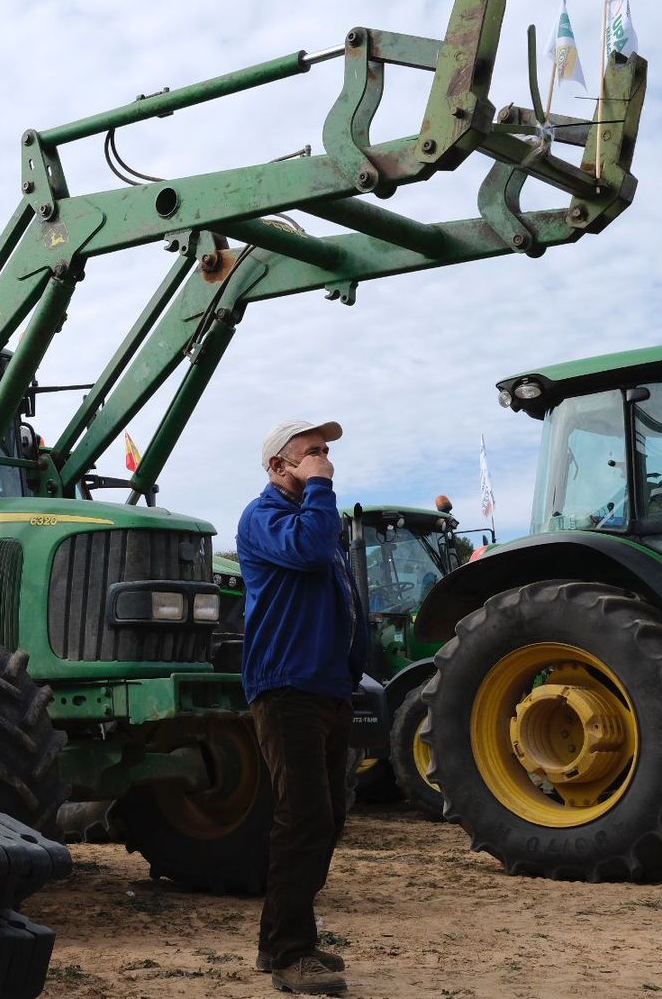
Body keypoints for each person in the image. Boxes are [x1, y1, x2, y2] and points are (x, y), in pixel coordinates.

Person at [236, 418, 364, 996]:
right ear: (278, 467)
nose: (324, 460)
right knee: (303, 816)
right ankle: (289, 953)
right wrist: (320, 487)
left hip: (325, 688)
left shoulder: (312, 516)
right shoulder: (263, 518)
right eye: (311, 452)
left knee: (328, 814)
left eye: (325, 452)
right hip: (286, 688)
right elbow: (312, 553)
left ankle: (285, 941)